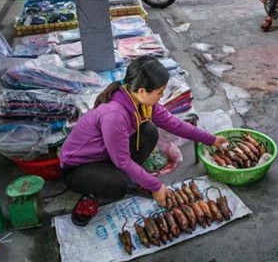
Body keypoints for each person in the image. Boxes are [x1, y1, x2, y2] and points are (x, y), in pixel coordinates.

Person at [60, 56, 228, 226]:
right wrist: (156, 185)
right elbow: (122, 161)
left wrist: (211, 139)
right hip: (79, 169)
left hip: (106, 156)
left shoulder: (142, 102)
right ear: (142, 91)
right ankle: (92, 195)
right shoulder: (114, 116)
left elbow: (173, 124)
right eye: (159, 92)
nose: (162, 96)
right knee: (118, 186)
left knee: (148, 131)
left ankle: (132, 178)